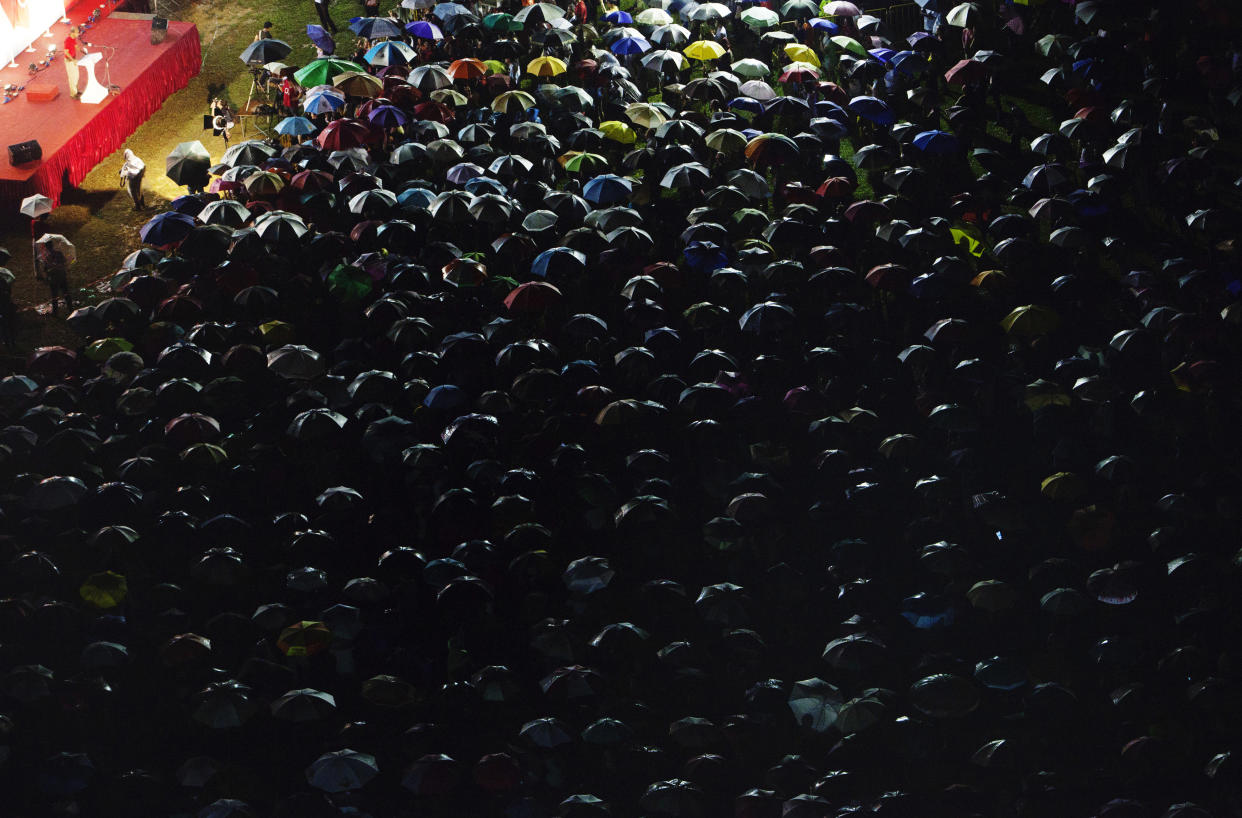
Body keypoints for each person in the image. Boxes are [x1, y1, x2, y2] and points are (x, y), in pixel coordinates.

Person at [38, 246, 72, 316]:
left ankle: (55, 312)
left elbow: (45, 269)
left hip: (53, 278)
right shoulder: (59, 253)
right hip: (62, 276)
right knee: (66, 293)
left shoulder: (46, 257)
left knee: (54, 296)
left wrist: (47, 275)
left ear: (46, 248)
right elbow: (64, 261)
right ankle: (71, 308)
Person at [63, 25, 85, 100]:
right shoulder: (67, 40)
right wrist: (73, 60)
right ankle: (73, 94)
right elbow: (66, 52)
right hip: (70, 61)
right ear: (72, 33)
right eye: (77, 32)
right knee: (72, 77)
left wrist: (81, 51)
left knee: (76, 76)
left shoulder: (73, 39)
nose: (78, 34)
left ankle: (76, 90)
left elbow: (76, 46)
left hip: (73, 60)